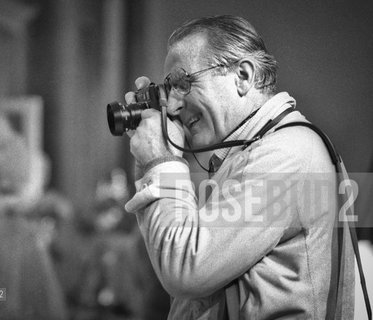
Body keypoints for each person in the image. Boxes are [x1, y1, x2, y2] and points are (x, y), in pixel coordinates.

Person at [124, 15, 355, 319]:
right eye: (169, 91)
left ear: (243, 76)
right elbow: (169, 265)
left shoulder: (285, 154)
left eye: (182, 83)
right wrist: (150, 159)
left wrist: (160, 161)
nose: (175, 107)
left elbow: (185, 268)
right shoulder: (254, 153)